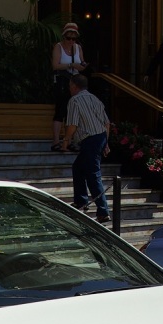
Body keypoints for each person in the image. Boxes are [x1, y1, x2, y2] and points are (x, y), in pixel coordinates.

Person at [59, 74, 111, 223]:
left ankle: (103, 210)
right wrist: (106, 143)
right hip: (99, 136)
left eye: (70, 86)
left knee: (93, 174)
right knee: (78, 167)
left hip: (90, 139)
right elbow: (106, 123)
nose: (69, 89)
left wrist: (65, 141)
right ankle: (81, 200)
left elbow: (73, 125)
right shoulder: (95, 99)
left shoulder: (74, 100)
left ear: (75, 86)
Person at [50, 22, 87, 151]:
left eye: (73, 38)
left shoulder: (78, 48)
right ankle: (56, 141)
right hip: (62, 80)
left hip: (75, 82)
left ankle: (69, 141)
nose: (71, 41)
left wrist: (82, 65)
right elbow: (55, 65)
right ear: (64, 36)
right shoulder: (58, 47)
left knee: (72, 112)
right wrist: (71, 65)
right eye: (68, 38)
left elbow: (81, 63)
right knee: (60, 110)